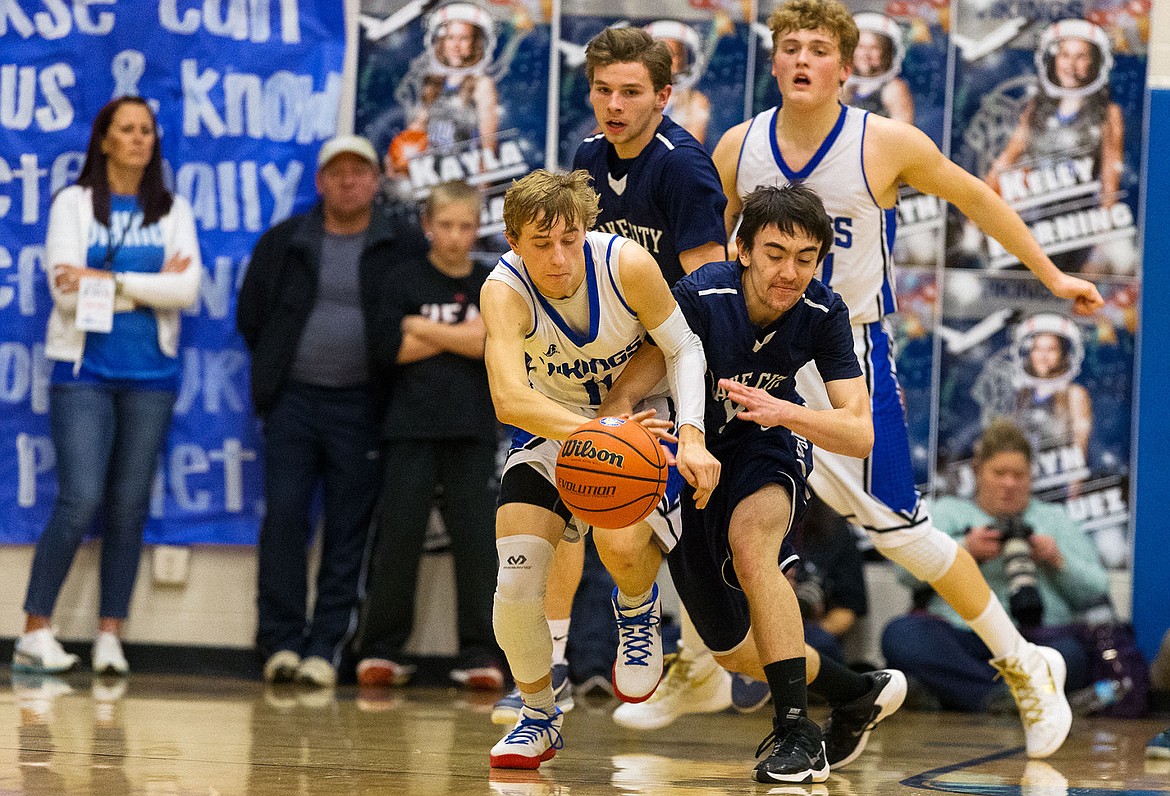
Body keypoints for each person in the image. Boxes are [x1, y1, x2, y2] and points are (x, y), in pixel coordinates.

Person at [712, 0, 1105, 759]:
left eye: (818, 49)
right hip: (758, 352)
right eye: (789, 46)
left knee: (901, 532)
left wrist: (1052, 275)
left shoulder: (881, 142)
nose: (802, 59)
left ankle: (1024, 663)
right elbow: (708, 253)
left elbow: (978, 198)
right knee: (726, 516)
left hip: (846, 353)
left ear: (845, 65)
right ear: (772, 60)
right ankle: (709, 665)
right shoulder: (740, 145)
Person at [604, 184, 903, 784]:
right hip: (690, 454)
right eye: (775, 253)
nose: (790, 271)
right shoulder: (701, 295)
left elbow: (858, 432)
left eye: (805, 257)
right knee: (732, 648)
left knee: (753, 550)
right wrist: (619, 423)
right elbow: (629, 387)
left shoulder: (824, 312)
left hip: (765, 443)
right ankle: (853, 691)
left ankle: (797, 731)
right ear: (742, 249)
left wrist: (784, 412)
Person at [493, 24, 729, 723]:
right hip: (586, 376)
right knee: (562, 514)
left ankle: (661, 628)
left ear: (663, 95)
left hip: (663, 361)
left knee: (622, 528)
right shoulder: (588, 158)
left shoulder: (683, 169)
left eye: (631, 92)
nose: (613, 104)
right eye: (602, 90)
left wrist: (630, 390)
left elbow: (706, 295)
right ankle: (551, 667)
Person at [482, 168, 719, 770]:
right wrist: (599, 434)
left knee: (618, 544)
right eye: (541, 243)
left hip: (641, 417)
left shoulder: (627, 265)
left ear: (586, 230)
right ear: (513, 240)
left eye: (570, 239)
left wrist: (690, 432)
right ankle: (539, 715)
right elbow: (509, 400)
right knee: (514, 583)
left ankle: (637, 608)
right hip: (555, 427)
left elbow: (685, 347)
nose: (559, 257)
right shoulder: (503, 291)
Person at [14, 96, 201, 677]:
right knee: (81, 499)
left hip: (153, 377)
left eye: (147, 130)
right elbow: (66, 292)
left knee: (128, 507)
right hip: (84, 374)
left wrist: (108, 278)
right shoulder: (72, 204)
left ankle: (109, 636)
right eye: (127, 130)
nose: (139, 139)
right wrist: (148, 282)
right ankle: (35, 631)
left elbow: (187, 291)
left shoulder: (170, 209)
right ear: (105, 140)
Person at [237, 135, 425, 689]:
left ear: (376, 181)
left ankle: (327, 647)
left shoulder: (401, 245)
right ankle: (282, 642)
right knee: (286, 520)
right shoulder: (284, 242)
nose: (348, 181)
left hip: (363, 407)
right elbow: (253, 316)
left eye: (359, 172)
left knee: (349, 530)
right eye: (336, 173)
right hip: (292, 404)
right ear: (319, 182)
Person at [354, 180, 503, 690]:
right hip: (410, 425)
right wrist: (461, 337)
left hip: (474, 427)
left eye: (465, 225)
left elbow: (492, 346)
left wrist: (422, 327)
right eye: (445, 225)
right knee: (399, 538)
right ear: (427, 226)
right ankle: (381, 649)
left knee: (479, 543)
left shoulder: (492, 280)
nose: (456, 236)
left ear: (477, 225)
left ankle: (480, 652)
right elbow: (389, 351)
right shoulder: (401, 279)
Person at [883, 418, 1107, 711]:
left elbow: (1095, 588)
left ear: (1031, 477)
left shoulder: (1054, 519)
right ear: (977, 471)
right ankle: (999, 697)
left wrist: (1056, 559)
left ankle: (967, 694)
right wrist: (963, 551)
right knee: (901, 635)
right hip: (960, 638)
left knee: (1072, 656)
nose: (1009, 484)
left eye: (1019, 475)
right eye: (999, 473)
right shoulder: (948, 512)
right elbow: (904, 573)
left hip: (1031, 640)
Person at [984, 19, 1122, 215]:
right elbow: (1007, 160)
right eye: (1065, 55)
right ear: (1053, 59)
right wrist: (978, 206)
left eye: (1081, 56)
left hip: (1077, 222)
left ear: (1096, 62)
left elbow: (1110, 180)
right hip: (1031, 216)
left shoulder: (1108, 114)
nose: (1071, 65)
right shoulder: (1037, 108)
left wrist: (1105, 228)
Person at [787, 493, 868, 665]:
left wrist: (819, 629)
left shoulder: (835, 532)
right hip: (750, 629)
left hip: (810, 631)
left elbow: (848, 607)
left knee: (820, 643)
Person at [1011, 313, 1093, 461]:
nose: (1043, 355)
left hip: (1057, 477)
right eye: (1037, 349)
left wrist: (1074, 483)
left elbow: (1079, 447)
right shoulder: (1023, 394)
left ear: (1063, 355)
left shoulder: (1074, 394)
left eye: (1051, 349)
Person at [645, 20, 713, 144]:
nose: (666, 60)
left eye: (674, 54)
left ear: (684, 59)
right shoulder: (630, 96)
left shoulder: (695, 102)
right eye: (660, 53)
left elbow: (691, 148)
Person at [841, 12, 914, 124]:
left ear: (887, 53)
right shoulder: (846, 86)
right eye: (860, 46)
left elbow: (903, 134)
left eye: (874, 47)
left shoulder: (893, 89)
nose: (865, 54)